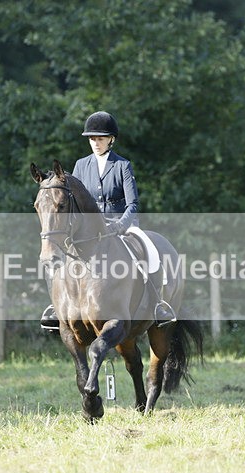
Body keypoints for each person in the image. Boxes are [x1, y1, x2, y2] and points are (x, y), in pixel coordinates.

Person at [41, 111, 176, 330]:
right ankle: (56, 307)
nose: (95, 143)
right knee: (60, 256)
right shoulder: (81, 166)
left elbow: (133, 204)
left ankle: (158, 303)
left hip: (121, 224)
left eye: (100, 138)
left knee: (150, 251)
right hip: (90, 229)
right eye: (92, 139)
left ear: (110, 140)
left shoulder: (122, 165)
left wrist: (121, 225)